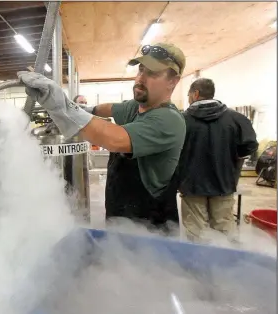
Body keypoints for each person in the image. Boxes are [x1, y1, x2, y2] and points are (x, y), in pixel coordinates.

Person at [18, 43, 186, 230]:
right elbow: (112, 107)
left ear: (173, 81)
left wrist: (65, 107)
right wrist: (87, 109)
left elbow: (114, 139)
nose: (140, 79)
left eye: (152, 73)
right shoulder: (137, 107)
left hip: (150, 232)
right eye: (140, 70)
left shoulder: (168, 120)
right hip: (120, 220)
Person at [178, 78, 258, 241]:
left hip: (192, 186)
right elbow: (249, 147)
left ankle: (197, 265)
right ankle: (224, 264)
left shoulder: (181, 121)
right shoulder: (237, 119)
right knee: (224, 230)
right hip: (224, 185)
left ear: (196, 94)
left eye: (188, 95)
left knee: (195, 232)